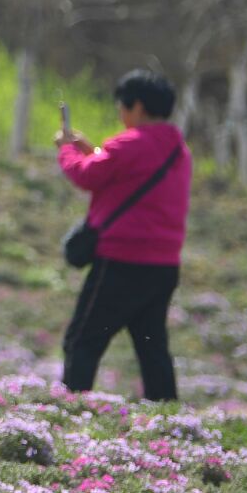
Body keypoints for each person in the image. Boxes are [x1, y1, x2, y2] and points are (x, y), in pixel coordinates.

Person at [56, 69, 192, 402]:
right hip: (164, 266)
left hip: (121, 262)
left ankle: (71, 410)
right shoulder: (178, 150)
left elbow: (87, 176)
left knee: (82, 341)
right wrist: (92, 150)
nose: (120, 113)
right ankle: (167, 416)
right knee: (152, 348)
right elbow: (122, 174)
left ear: (138, 107)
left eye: (122, 106)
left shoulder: (129, 143)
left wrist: (67, 150)